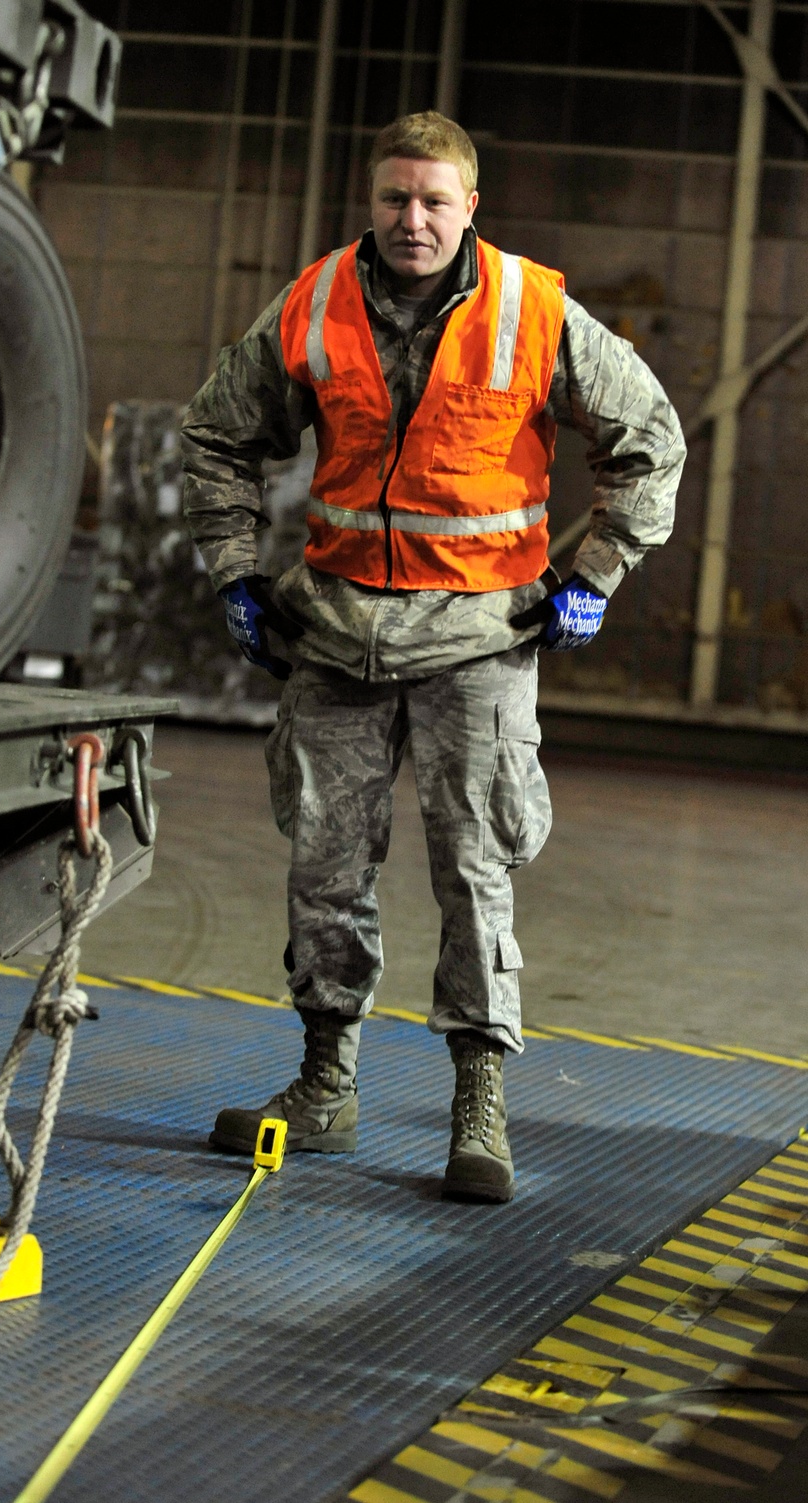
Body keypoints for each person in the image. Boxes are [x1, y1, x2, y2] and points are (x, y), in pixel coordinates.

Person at [181, 111, 684, 1202]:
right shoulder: (312, 306)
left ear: (468, 208)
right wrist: (232, 571)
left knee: (475, 871)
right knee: (324, 865)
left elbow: (651, 440)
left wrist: (593, 573)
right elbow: (216, 435)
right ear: (371, 202)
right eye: (394, 199)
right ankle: (324, 1088)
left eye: (434, 201)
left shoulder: (534, 312)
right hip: (333, 635)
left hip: (478, 644)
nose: (412, 220)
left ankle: (477, 1108)